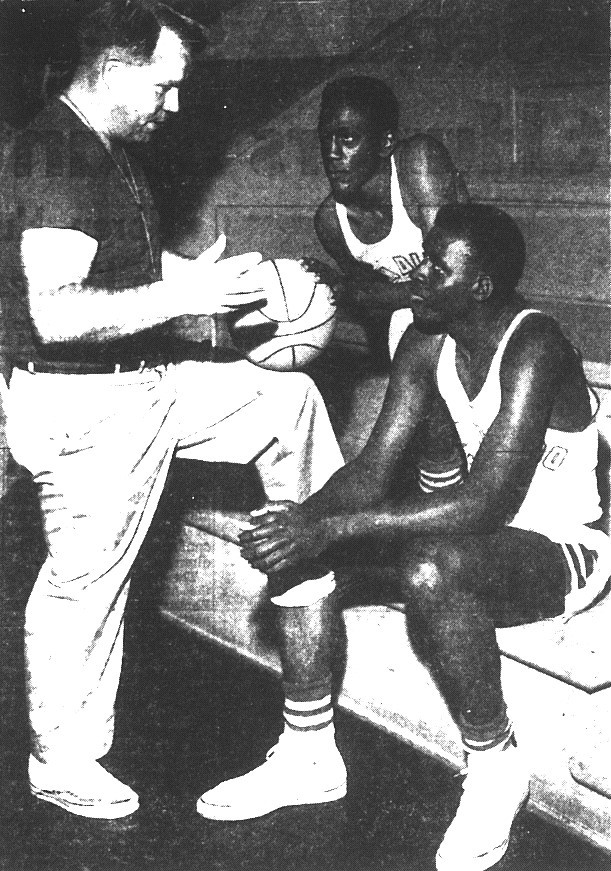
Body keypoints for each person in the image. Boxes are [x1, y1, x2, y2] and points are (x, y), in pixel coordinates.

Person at [2, 0, 346, 820]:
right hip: (86, 403)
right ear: (116, 68)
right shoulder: (59, 153)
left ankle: (311, 545)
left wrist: (204, 275)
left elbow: (117, 260)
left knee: (285, 398)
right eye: (165, 85)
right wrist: (188, 296)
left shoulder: (103, 147)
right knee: (85, 586)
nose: (176, 103)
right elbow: (58, 310)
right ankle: (62, 758)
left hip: (146, 384)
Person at [238, 203, 611, 870]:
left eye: (437, 268)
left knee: (429, 570)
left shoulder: (535, 346)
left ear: (480, 287)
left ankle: (496, 765)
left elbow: (486, 501)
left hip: (562, 546)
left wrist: (330, 528)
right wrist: (303, 522)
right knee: (305, 557)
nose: (418, 274)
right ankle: (308, 752)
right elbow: (373, 467)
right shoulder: (424, 338)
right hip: (476, 531)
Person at [306, 75, 469, 494]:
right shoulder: (331, 222)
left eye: (348, 139)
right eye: (325, 139)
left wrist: (357, 292)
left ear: (385, 143)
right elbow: (376, 311)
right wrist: (325, 291)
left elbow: (455, 281)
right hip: (415, 340)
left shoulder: (417, 164)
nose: (333, 154)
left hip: (480, 319)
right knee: (404, 340)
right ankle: (439, 487)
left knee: (414, 329)